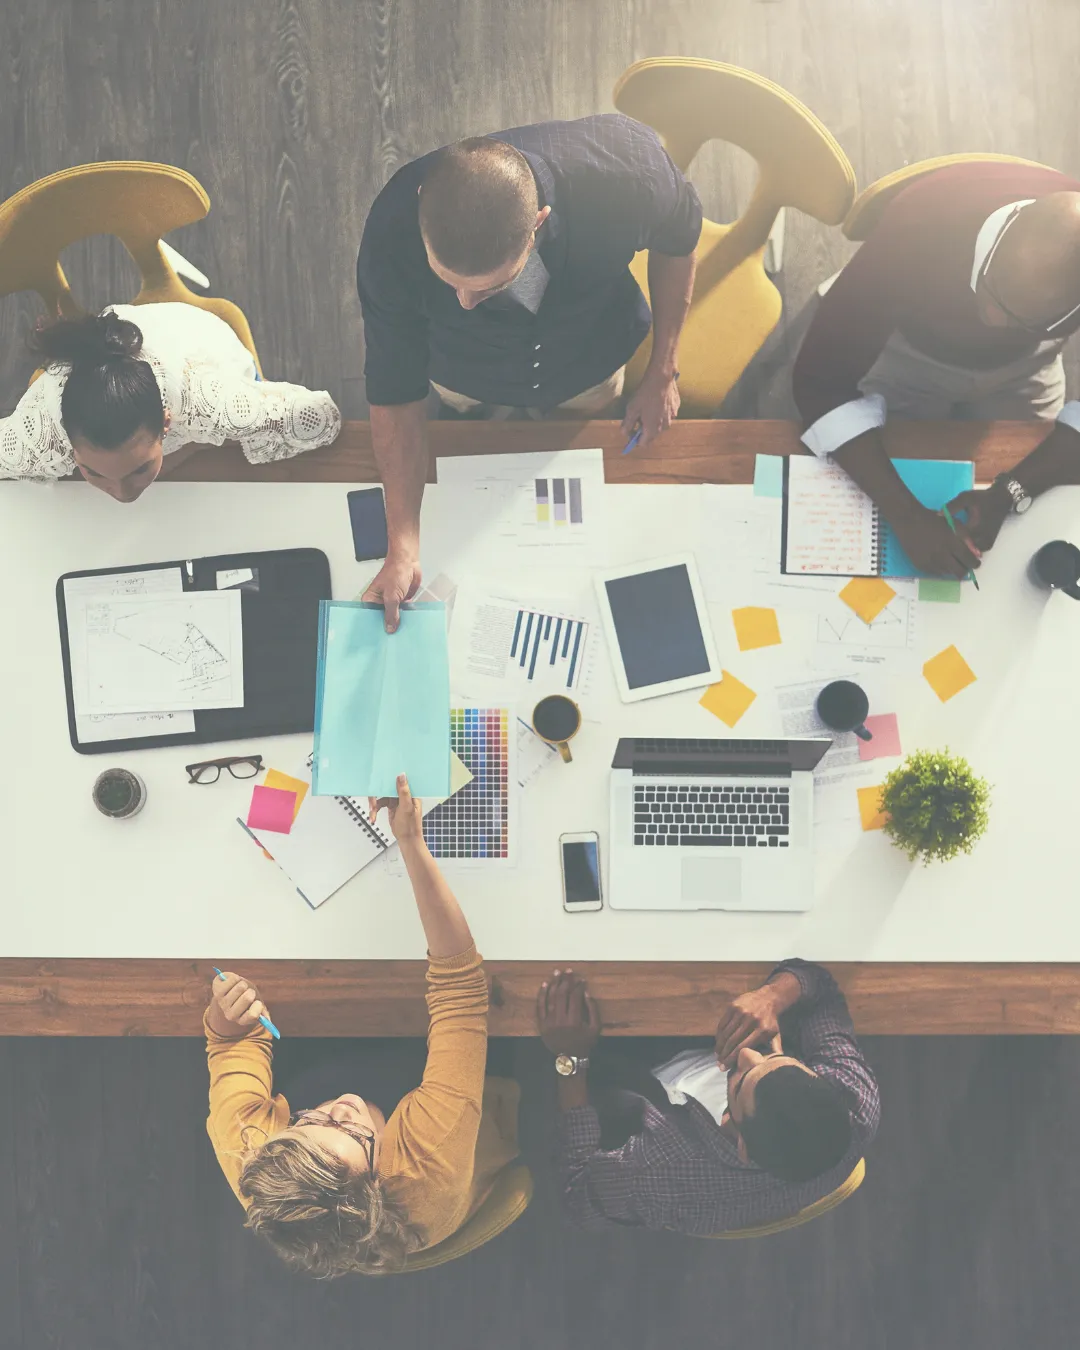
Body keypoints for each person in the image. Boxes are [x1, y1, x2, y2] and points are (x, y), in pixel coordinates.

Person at [356, 114, 702, 629]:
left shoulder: (628, 173)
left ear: (538, 223)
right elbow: (395, 390)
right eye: (446, 281)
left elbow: (680, 241)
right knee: (461, 416)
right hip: (460, 369)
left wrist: (663, 371)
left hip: (590, 358)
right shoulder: (390, 232)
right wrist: (403, 544)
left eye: (490, 287)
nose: (465, 304)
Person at [204, 774, 519, 1277]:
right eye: (348, 1130)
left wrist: (228, 1013)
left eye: (308, 1121)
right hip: (458, 1146)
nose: (340, 1106)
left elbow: (229, 1041)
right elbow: (461, 992)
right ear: (378, 1175)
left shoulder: (258, 1156)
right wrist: (412, 844)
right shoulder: (425, 1162)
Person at [792, 161, 1080, 577]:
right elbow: (820, 383)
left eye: (1025, 319)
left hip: (1027, 365)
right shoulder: (918, 226)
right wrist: (907, 518)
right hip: (908, 348)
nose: (993, 323)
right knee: (882, 458)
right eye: (990, 288)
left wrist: (1008, 495)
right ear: (992, 242)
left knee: (1044, 504)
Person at [538, 961, 879, 1233]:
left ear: (740, 1139)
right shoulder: (855, 1103)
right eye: (773, 1058)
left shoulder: (656, 1173)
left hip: (639, 1065)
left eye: (742, 1081)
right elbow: (822, 991)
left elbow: (577, 1198)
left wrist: (572, 1060)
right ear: (818, 1077)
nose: (748, 1055)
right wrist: (774, 995)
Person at [0, 303, 341, 501]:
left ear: (167, 423)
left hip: (201, 339)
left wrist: (197, 444)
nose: (122, 496)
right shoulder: (41, 432)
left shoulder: (210, 403)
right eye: (94, 472)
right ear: (67, 440)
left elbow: (322, 418)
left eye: (139, 469)